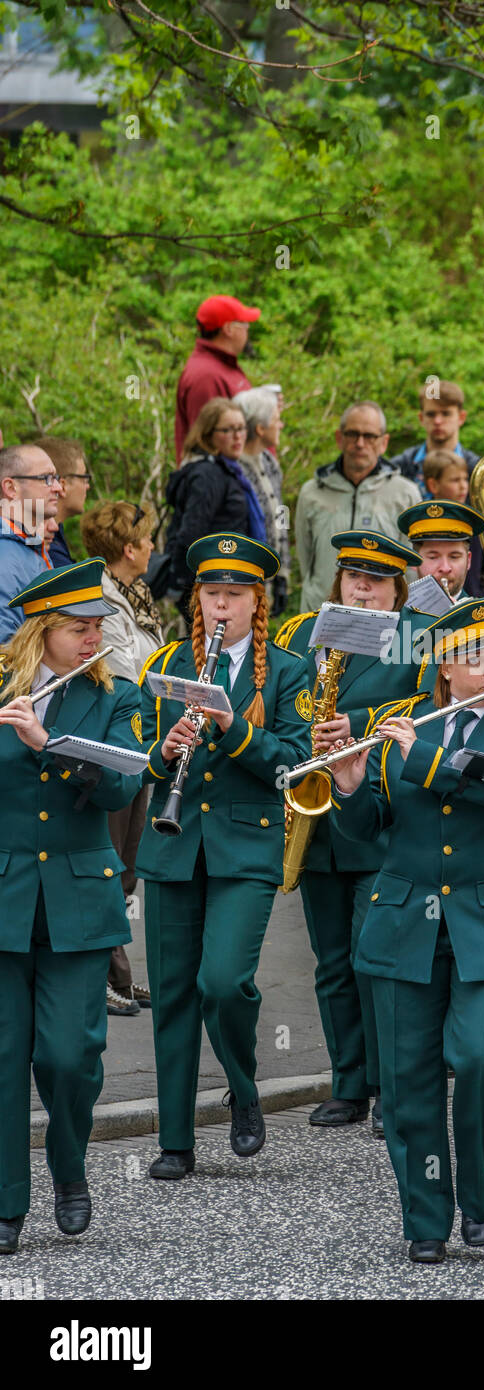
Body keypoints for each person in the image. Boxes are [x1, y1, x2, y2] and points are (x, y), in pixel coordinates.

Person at [330, 598, 484, 1263]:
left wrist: (425, 758)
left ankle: (480, 1193)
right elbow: (370, 827)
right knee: (406, 1082)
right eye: (474, 657)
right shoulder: (393, 725)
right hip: (405, 919)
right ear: (442, 667)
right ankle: (426, 1218)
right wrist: (349, 786)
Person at [135, 535, 312, 1180]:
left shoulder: (290, 670)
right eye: (212, 594)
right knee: (175, 993)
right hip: (173, 842)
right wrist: (166, 747)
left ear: (257, 602)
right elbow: (140, 758)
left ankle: (242, 1085)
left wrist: (231, 727)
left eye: (235, 595)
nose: (221, 606)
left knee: (222, 982)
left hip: (247, 845)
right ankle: (175, 1139)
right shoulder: (169, 661)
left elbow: (294, 762)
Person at [0, 558, 143, 1255]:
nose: (93, 638)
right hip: (3, 896)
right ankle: (5, 1200)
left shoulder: (116, 694)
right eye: (78, 629)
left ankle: (70, 1169)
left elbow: (120, 791)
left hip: (81, 900)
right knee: (3, 1058)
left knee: (70, 1056)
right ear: (42, 629)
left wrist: (47, 747)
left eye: (97, 627)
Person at [274, 531, 431, 1136]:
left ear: (397, 589)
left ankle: (393, 1085)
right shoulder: (301, 632)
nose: (361, 589)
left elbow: (432, 701)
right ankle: (349, 1084)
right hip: (320, 821)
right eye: (352, 578)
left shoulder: (419, 636)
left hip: (382, 814)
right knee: (332, 960)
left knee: (377, 958)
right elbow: (282, 691)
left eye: (375, 581)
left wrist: (358, 721)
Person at [80, 500, 164, 1018]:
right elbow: (124, 667)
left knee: (129, 865)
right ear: (129, 548)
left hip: (142, 733)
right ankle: (107, 976)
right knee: (109, 860)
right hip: (114, 738)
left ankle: (118, 971)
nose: (154, 546)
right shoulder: (103, 597)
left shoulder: (137, 593)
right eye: (148, 538)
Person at [294, 401, 421, 611]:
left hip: (383, 621)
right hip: (319, 615)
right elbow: (305, 559)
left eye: (369, 436)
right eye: (352, 434)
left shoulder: (406, 494)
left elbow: (412, 568)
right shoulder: (311, 492)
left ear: (384, 442)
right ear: (339, 438)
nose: (360, 443)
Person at [165, 398, 267, 619]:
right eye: (228, 430)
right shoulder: (207, 475)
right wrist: (187, 588)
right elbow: (190, 534)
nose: (238, 436)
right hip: (212, 584)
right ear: (208, 434)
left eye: (241, 428)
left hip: (231, 578)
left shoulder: (231, 470)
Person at [174, 295, 259, 462]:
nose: (247, 329)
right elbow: (208, 447)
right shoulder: (207, 377)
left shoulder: (222, 366)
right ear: (228, 329)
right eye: (244, 324)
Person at [232, 387, 290, 615]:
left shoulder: (269, 462)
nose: (281, 425)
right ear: (260, 428)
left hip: (268, 582)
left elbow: (282, 515)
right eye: (277, 419)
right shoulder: (235, 470)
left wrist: (283, 574)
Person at [0, 444, 61, 641]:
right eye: (46, 479)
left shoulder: (28, 546)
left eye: (57, 478)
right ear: (11, 488)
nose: (58, 488)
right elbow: (6, 653)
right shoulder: (4, 555)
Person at [390, 380, 480, 492]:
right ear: (421, 418)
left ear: (461, 417)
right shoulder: (398, 468)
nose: (437, 421)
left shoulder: (479, 471)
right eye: (431, 414)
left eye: (446, 413)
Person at [399, 500, 484, 602]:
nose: (445, 568)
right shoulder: (398, 615)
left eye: (454, 557)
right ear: (414, 561)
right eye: (433, 557)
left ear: (468, 560)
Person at [32, 438, 91, 568]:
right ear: (62, 486)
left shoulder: (53, 538)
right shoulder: (44, 545)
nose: (88, 486)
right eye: (84, 478)